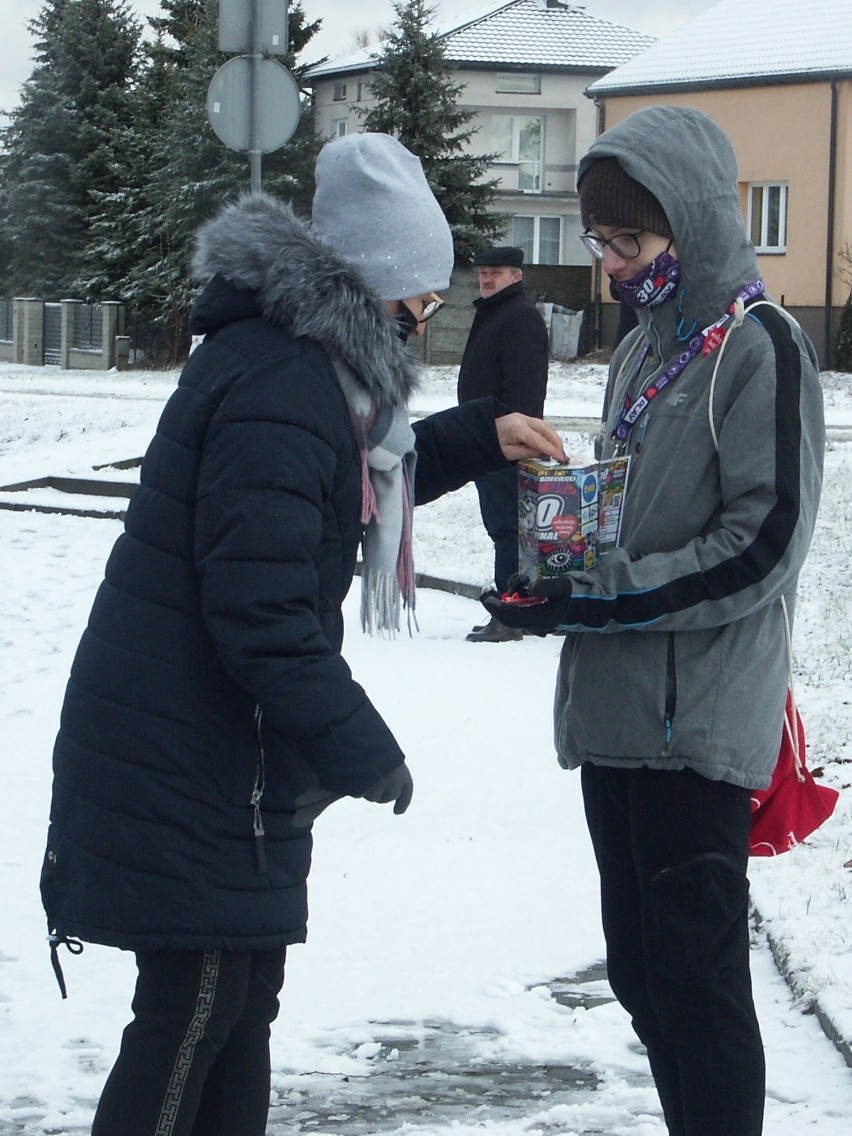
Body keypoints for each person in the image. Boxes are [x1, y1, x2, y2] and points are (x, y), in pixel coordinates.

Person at [40, 132, 566, 1136]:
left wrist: (476, 429)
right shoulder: (284, 382)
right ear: (369, 285)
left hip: (218, 750)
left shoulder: (301, 369)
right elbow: (260, 607)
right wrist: (356, 741)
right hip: (187, 753)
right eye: (416, 296)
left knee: (238, 1004)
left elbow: (356, 470)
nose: (422, 317)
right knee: (194, 1011)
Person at [481, 105, 824, 1135]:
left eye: (630, 240)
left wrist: (611, 589)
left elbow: (765, 545)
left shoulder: (759, 349)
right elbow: (631, 515)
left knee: (696, 985)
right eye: (601, 243)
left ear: (694, 222)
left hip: (697, 727)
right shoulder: (640, 351)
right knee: (640, 976)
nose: (615, 263)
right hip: (618, 717)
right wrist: (559, 557)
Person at [457, 245, 550, 642]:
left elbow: (525, 392)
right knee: (502, 527)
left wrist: (507, 437)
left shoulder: (519, 317)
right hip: (487, 439)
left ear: (517, 276)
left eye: (496, 272)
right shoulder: (496, 313)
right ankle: (509, 608)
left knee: (509, 529)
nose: (487, 278)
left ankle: (511, 613)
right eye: (483, 272)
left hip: (504, 443)